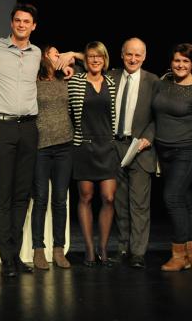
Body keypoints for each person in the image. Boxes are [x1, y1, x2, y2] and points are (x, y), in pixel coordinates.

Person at [0, 3, 42, 277]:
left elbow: (61, 60)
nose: (21, 25)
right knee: (3, 192)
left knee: (22, 194)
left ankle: (17, 254)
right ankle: (6, 256)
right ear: (11, 23)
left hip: (29, 127)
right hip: (4, 126)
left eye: (27, 21)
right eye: (17, 20)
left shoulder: (37, 53)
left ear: (33, 26)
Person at [67, 42, 119, 268]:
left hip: (107, 146)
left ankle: (103, 249)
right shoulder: (76, 81)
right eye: (90, 57)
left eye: (99, 57)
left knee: (108, 197)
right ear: (85, 60)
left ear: (105, 59)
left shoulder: (112, 81)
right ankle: (89, 250)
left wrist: (80, 53)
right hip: (84, 145)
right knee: (86, 197)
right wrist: (77, 54)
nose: (95, 60)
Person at [109, 38, 159, 269]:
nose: (133, 59)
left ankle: (138, 252)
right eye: (129, 54)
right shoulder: (112, 76)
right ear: (122, 54)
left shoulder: (153, 81)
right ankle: (122, 247)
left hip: (140, 148)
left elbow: (159, 116)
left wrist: (149, 136)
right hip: (114, 146)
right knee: (119, 203)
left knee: (139, 204)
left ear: (145, 56)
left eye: (138, 55)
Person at [151, 44, 192, 272]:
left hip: (184, 151)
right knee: (184, 200)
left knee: (171, 197)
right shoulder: (163, 82)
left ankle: (178, 255)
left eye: (185, 62)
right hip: (164, 151)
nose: (180, 65)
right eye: (177, 61)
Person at [31, 46, 74, 270]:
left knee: (60, 199)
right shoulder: (34, 80)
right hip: (41, 147)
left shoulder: (67, 77)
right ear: (44, 56)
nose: (59, 57)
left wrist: (72, 55)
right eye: (55, 53)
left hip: (65, 146)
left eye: (60, 53)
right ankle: (38, 249)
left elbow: (96, 62)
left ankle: (59, 249)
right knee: (40, 199)